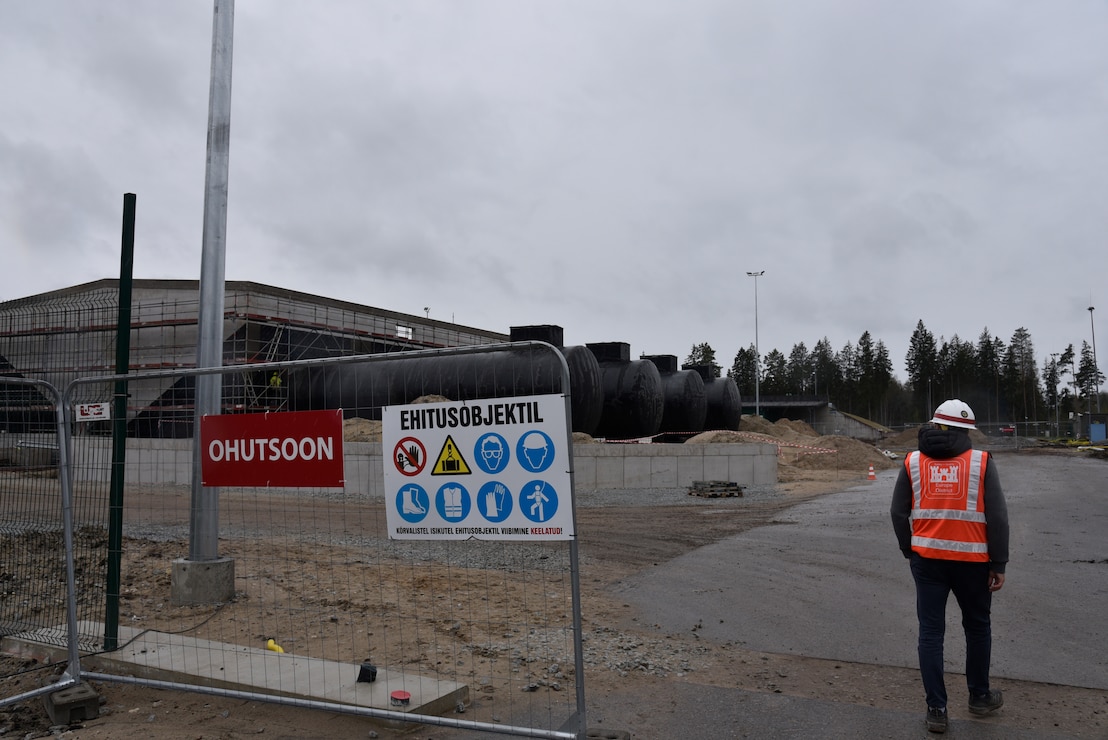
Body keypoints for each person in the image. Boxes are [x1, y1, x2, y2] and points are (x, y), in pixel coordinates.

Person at [890, 399, 1009, 734]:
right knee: (977, 627)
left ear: (935, 425)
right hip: (972, 562)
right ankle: (980, 697)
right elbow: (997, 516)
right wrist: (998, 562)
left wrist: (909, 549)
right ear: (965, 431)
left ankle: (937, 710)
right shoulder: (980, 461)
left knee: (931, 633)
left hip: (927, 561)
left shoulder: (913, 460)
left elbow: (898, 512)